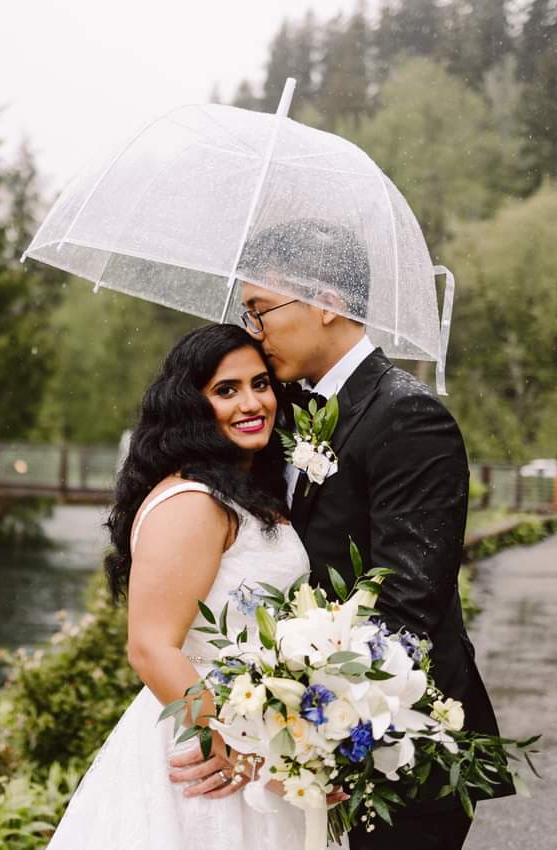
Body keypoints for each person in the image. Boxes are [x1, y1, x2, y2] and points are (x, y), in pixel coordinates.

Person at [169, 220, 510, 850]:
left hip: (396, 748)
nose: (253, 330)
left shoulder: (407, 416)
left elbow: (406, 605)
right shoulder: (283, 409)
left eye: (260, 309)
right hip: (303, 747)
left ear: (326, 302)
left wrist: (318, 736)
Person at [46, 323, 346, 850]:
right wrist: (240, 751)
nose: (252, 403)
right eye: (226, 390)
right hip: (210, 754)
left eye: (260, 384)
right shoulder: (192, 502)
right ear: (191, 406)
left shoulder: (243, 492)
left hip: (259, 731)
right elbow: (150, 647)